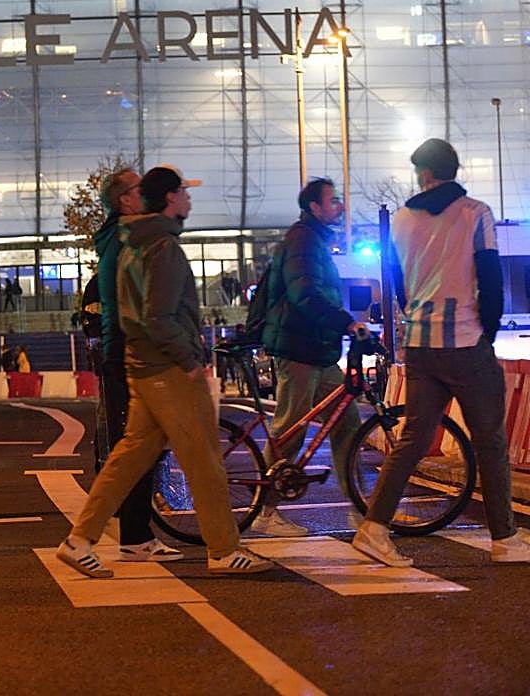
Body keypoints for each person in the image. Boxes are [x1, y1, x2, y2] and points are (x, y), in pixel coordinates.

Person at [56, 166, 273, 578]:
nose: (189, 199)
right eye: (184, 192)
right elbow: (158, 317)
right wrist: (190, 359)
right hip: (167, 369)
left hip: (143, 365)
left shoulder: (132, 241)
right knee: (204, 458)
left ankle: (79, 540)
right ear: (170, 198)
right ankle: (224, 550)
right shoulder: (162, 246)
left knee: (130, 456)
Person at [353, 139, 530, 566]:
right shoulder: (475, 213)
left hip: (420, 344)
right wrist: (487, 331)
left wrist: (414, 315)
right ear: (453, 170)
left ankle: (374, 527)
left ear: (425, 173)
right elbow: (490, 278)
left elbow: (397, 281)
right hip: (465, 341)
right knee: (489, 441)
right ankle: (504, 538)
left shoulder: (400, 220)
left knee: (413, 439)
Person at [256, 178, 369, 536]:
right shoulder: (302, 240)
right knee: (290, 429)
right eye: (332, 201)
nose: (340, 206)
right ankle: (265, 512)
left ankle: (361, 509)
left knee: (348, 424)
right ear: (314, 207)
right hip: (299, 347)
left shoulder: (315, 240)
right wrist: (345, 322)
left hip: (318, 350)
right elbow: (305, 293)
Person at [89, 167, 181, 561]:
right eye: (139, 187)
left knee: (137, 447)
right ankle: (124, 534)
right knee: (135, 449)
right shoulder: (124, 239)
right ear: (125, 199)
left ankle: (125, 533)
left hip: (128, 350)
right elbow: (138, 301)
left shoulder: (121, 236)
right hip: (129, 352)